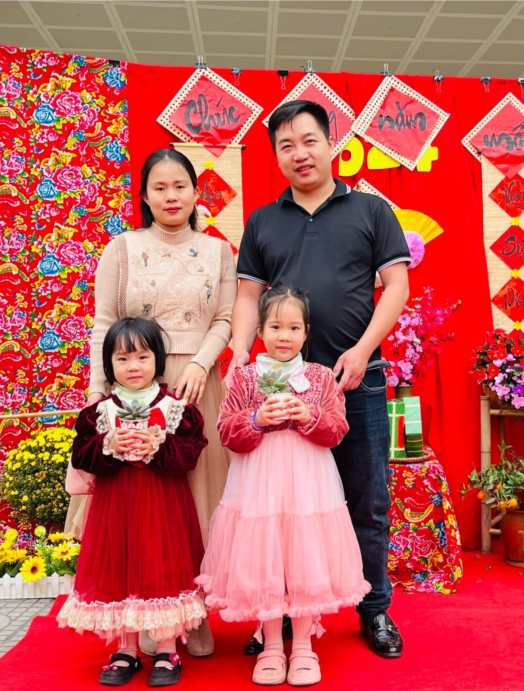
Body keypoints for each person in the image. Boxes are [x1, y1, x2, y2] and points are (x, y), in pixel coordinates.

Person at [230, 100, 411, 659]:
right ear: (276, 156)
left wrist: (362, 350)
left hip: (356, 380)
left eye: (309, 140)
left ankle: (374, 609)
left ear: (332, 143)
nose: (300, 154)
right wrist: (239, 352)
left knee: (367, 499)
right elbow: (247, 296)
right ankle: (282, 615)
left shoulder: (371, 210)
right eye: (286, 146)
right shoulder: (263, 221)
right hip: (280, 387)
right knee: (284, 508)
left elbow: (397, 287)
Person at [76, 148, 236, 656]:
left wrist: (200, 364)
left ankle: (194, 612)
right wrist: (97, 392)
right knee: (142, 505)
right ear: (144, 196)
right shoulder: (121, 249)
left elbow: (225, 319)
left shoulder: (218, 251)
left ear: (196, 192)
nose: (171, 196)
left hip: (195, 386)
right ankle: (147, 607)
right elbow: (104, 324)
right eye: (159, 188)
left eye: (180, 186)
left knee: (198, 499)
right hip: (132, 385)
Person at [198, 287, 369, 686]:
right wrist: (256, 419)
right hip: (257, 483)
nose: (284, 336)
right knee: (265, 557)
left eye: (294, 328)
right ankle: (272, 645)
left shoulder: (321, 377)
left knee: (304, 555)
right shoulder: (244, 379)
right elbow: (226, 431)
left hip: (308, 482)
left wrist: (309, 415)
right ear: (259, 330)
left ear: (306, 333)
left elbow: (337, 429)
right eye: (275, 326)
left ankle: (304, 646)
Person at [57, 317, 208, 688]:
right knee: (118, 568)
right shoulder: (98, 413)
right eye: (122, 359)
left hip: (164, 507)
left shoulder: (177, 409)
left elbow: (190, 454)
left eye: (142, 356)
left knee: (163, 568)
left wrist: (160, 445)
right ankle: (125, 650)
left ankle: (166, 648)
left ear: (158, 359)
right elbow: (82, 456)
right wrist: (108, 445)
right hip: (115, 509)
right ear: (109, 364)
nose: (133, 366)